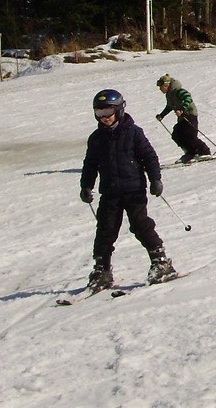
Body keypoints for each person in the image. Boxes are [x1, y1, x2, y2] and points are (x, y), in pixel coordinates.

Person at [79, 89, 175, 291]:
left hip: (134, 190)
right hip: (110, 192)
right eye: (99, 114)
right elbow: (90, 164)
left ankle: (160, 261)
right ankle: (102, 270)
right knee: (105, 230)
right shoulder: (96, 138)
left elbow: (149, 156)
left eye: (108, 113)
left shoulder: (133, 132)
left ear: (120, 110)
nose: (104, 118)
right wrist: (86, 185)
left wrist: (155, 179)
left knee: (141, 225)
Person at [156, 74, 212, 164]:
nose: (160, 89)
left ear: (166, 85)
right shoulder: (170, 95)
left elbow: (188, 98)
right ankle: (190, 152)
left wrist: (182, 109)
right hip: (182, 118)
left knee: (190, 135)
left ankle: (204, 152)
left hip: (190, 115)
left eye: (161, 87)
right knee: (176, 134)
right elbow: (169, 106)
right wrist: (162, 115)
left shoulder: (179, 91)